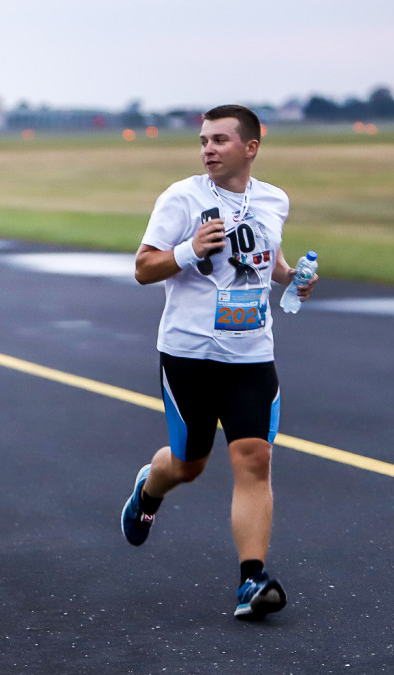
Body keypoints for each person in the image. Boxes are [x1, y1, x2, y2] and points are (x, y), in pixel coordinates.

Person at [121, 105, 318, 621]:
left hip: (253, 354)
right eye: (204, 140)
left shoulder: (274, 199)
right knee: (188, 464)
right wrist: (187, 250)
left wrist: (293, 277)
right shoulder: (181, 197)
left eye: (220, 140)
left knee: (254, 458)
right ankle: (149, 487)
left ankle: (251, 580)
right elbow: (144, 268)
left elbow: (268, 262)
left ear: (250, 147)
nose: (208, 148)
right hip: (190, 354)